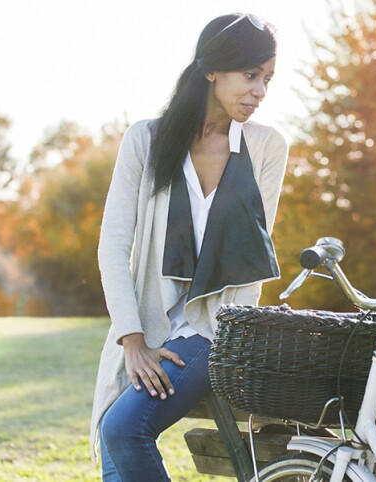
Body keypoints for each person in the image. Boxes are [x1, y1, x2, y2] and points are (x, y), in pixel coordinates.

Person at [89, 13, 287, 481]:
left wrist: (220, 329)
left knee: (123, 428)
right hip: (146, 320)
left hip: (216, 326)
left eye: (268, 79)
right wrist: (133, 341)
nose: (260, 91)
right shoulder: (146, 139)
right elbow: (114, 245)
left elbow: (250, 254)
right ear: (212, 69)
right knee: (114, 453)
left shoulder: (266, 147)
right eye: (251, 75)